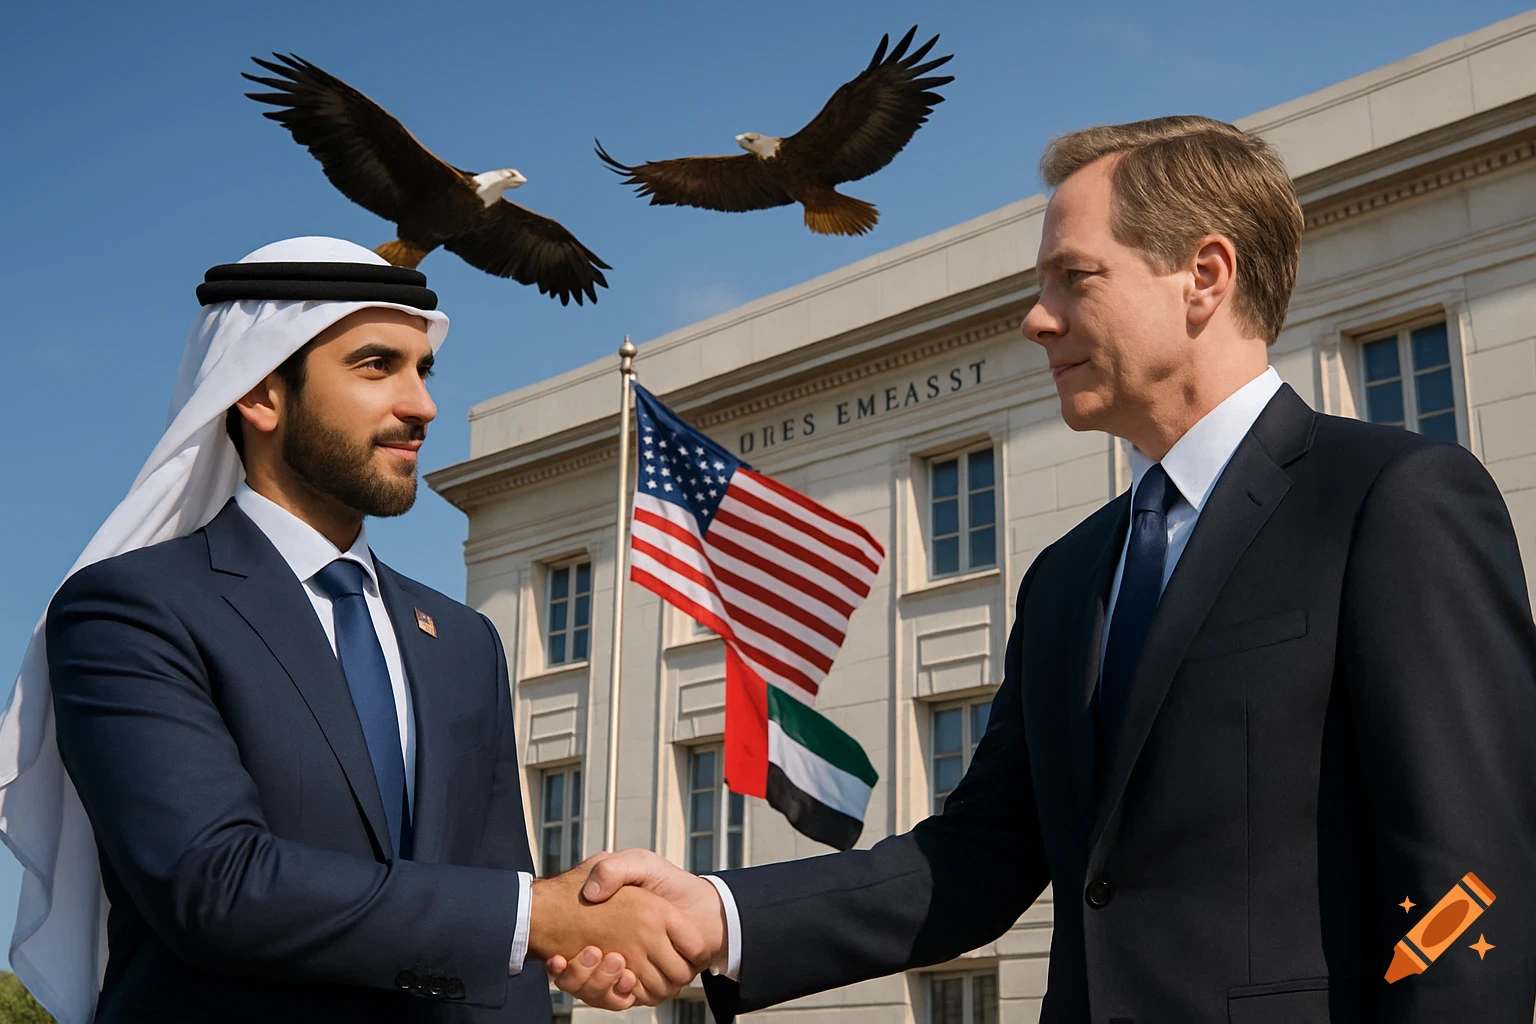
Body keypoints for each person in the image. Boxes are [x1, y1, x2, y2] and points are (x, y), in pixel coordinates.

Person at [547, 117, 1536, 1022]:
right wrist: (716, 911)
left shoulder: (1392, 500)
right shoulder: (1066, 579)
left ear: (1205, 275)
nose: (1037, 318)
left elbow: (1470, 886)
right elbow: (976, 856)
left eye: (1075, 277)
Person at [0, 236, 705, 1024]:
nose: (422, 406)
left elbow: (494, 937)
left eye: (423, 369)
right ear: (261, 393)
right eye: (377, 366)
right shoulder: (129, 609)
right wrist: (535, 919)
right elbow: (216, 886)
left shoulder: (465, 642)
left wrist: (545, 944)